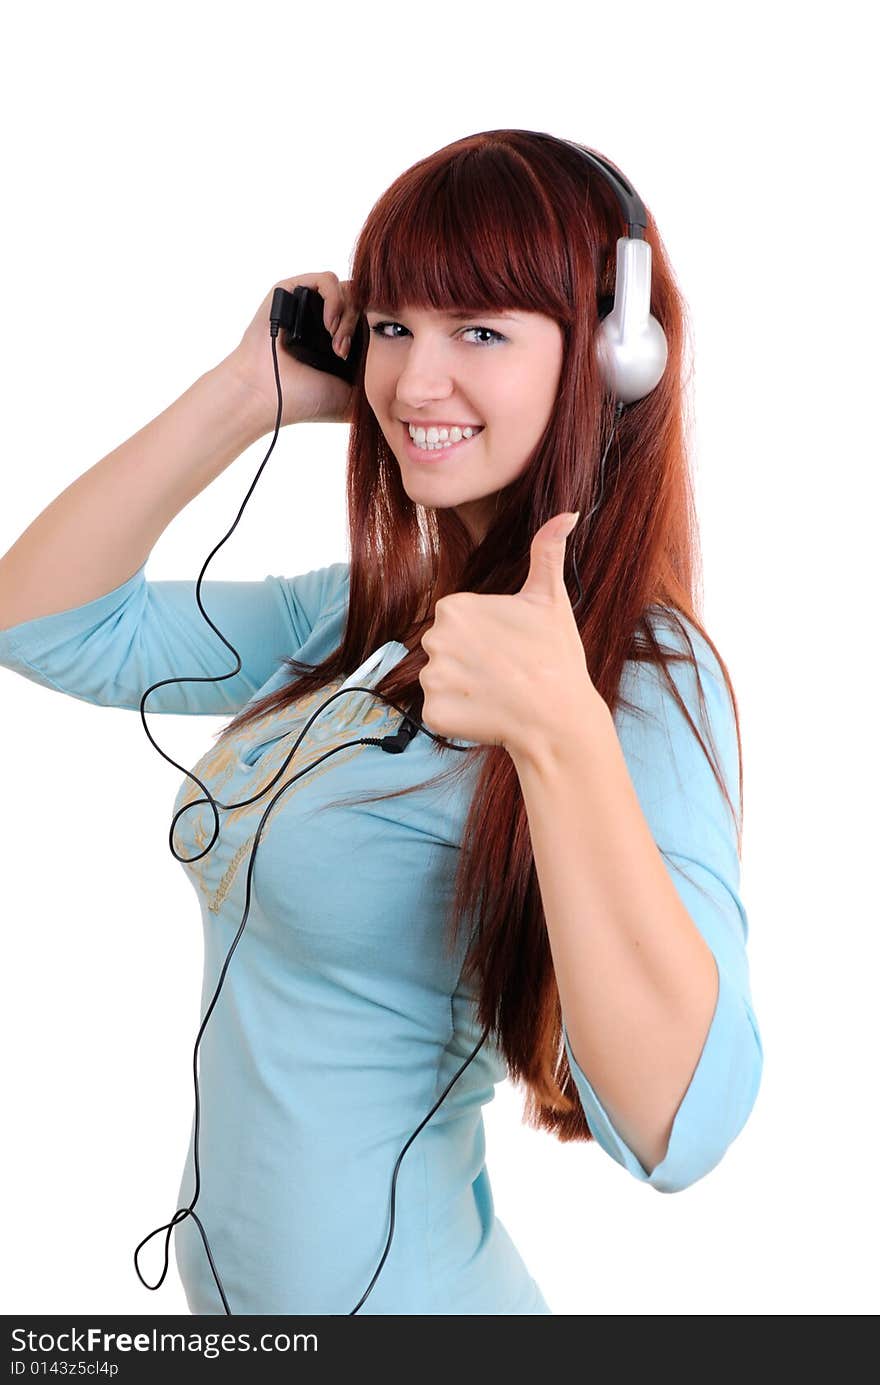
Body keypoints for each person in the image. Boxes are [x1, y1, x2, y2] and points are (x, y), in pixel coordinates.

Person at [0, 128, 763, 1315]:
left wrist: (557, 733)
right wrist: (243, 392)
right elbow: (42, 620)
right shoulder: (360, 619)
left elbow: (683, 1125)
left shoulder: (637, 680)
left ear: (609, 361)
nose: (413, 383)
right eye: (397, 324)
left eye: (482, 332)